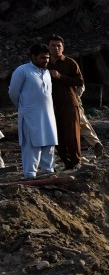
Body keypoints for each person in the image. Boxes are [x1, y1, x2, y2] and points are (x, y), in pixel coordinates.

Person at [8, 44, 59, 179]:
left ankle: (48, 170)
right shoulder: (22, 71)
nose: (45, 60)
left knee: (49, 140)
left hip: (48, 113)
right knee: (32, 143)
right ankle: (30, 173)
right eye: (42, 58)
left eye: (47, 58)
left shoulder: (47, 72)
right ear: (33, 57)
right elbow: (13, 92)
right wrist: (24, 106)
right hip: (30, 114)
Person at [46, 35, 83, 170]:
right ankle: (66, 162)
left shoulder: (70, 62)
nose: (56, 48)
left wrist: (60, 77)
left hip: (68, 102)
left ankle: (76, 161)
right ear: (48, 48)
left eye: (58, 46)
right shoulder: (45, 64)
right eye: (53, 45)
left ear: (63, 48)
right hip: (50, 104)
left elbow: (79, 81)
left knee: (72, 133)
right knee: (56, 134)